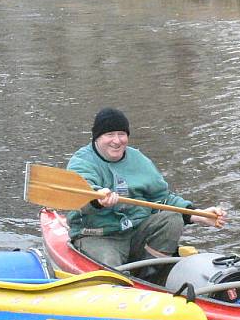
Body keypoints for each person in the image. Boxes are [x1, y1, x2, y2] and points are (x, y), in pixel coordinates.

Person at [66, 107, 227, 279]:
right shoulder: (81, 162)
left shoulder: (139, 160)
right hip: (100, 235)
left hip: (136, 231)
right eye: (110, 134)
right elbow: (80, 194)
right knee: (112, 274)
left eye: (122, 134)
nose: (117, 141)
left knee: (172, 219)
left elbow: (163, 199)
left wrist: (198, 215)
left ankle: (150, 277)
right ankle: (121, 281)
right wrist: (97, 198)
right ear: (97, 138)